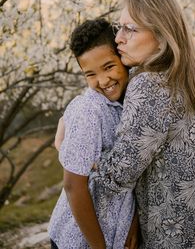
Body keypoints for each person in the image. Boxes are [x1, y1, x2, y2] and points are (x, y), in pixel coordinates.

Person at [92, 0, 195, 248]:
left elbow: (119, 174)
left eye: (130, 29)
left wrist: (80, 155)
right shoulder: (189, 76)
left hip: (169, 235)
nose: (118, 38)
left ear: (162, 37)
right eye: (119, 27)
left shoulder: (150, 85)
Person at [48, 18, 138, 249]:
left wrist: (133, 220)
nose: (103, 80)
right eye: (90, 74)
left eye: (109, 67)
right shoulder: (89, 110)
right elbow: (73, 186)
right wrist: (100, 247)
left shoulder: (131, 103)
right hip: (79, 241)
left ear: (123, 58)